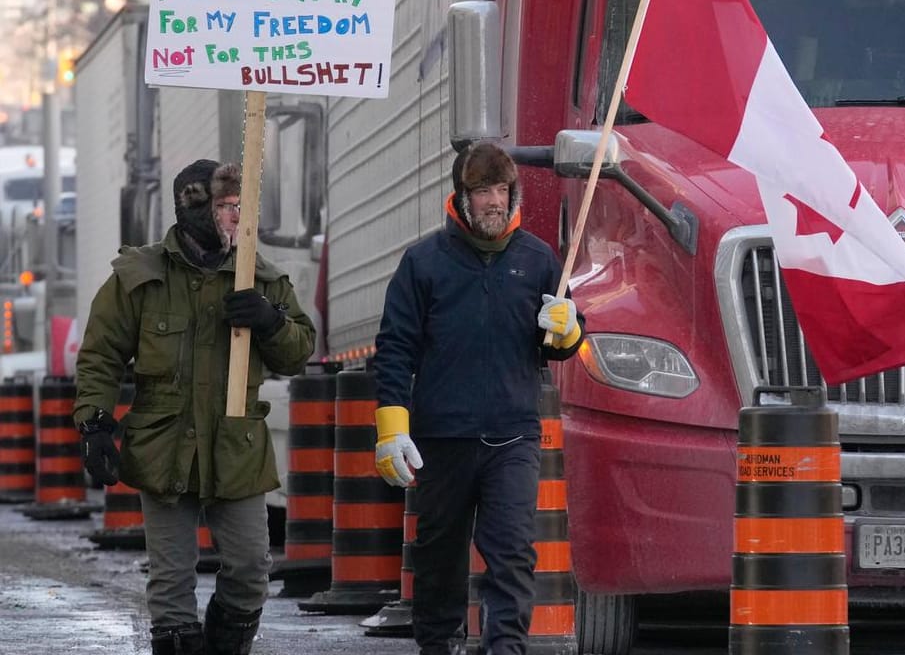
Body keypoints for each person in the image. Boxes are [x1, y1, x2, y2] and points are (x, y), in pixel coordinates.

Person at [74, 160, 316, 655]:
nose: (236, 220)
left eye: (241, 208)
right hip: (164, 447)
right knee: (171, 589)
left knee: (251, 572)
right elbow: (101, 354)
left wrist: (270, 321)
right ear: (196, 208)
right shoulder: (140, 276)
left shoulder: (260, 277)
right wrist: (95, 424)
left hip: (237, 448)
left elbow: (298, 354)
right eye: (227, 208)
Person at [370, 141, 585, 655]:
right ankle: (438, 644)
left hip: (513, 437)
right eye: (482, 190)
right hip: (442, 438)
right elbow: (396, 349)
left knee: (511, 553)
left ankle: (505, 648)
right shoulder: (423, 263)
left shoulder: (538, 261)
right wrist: (391, 428)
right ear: (461, 197)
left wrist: (568, 329)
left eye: (502, 190)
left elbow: (561, 348)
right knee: (439, 554)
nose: (494, 200)